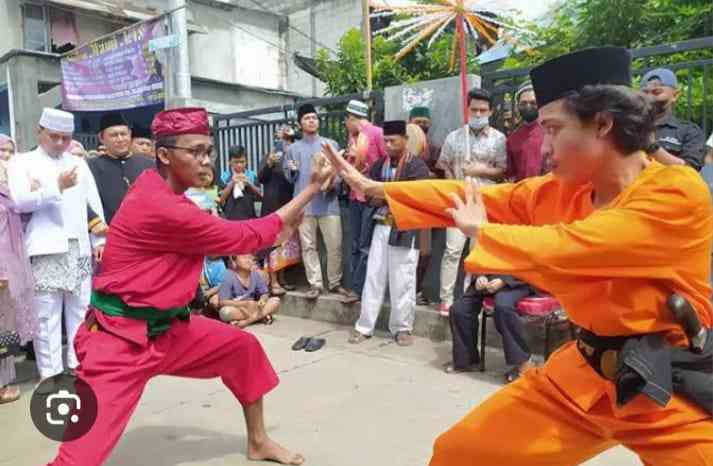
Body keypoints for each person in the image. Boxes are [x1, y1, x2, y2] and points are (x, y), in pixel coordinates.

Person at [325, 47, 713, 465]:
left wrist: (484, 233)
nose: (544, 147)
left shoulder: (678, 192)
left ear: (603, 123)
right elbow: (476, 195)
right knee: (458, 455)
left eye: (552, 128)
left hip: (666, 386)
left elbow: (576, 247)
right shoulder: (564, 189)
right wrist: (378, 189)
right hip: (581, 377)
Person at [46, 107, 336, 466]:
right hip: (119, 340)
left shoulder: (161, 189)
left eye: (208, 151)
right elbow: (243, 234)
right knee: (76, 460)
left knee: (242, 348)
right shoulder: (160, 204)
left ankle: (258, 441)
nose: (205, 161)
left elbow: (214, 243)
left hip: (169, 329)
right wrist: (310, 189)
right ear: (164, 155)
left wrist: (281, 226)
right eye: (194, 151)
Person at [8, 108, 105, 381]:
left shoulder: (78, 162)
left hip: (79, 246)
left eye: (65, 137)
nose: (60, 143)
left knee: (80, 308)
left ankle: (78, 362)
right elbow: (19, 201)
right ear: (40, 132)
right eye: (54, 137)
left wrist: (100, 238)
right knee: (46, 313)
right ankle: (50, 372)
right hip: (45, 247)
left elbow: (92, 202)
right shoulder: (21, 162)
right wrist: (55, 187)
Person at [349, 120, 430, 346]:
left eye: (393, 140)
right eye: (385, 141)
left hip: (405, 230)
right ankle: (364, 326)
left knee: (402, 280)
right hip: (380, 227)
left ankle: (402, 328)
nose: (388, 145)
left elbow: (415, 199)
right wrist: (390, 196)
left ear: (405, 140)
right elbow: (368, 195)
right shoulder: (378, 165)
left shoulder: (417, 167)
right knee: (373, 277)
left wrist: (385, 195)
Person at [436, 88, 507, 316]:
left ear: (491, 111)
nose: (478, 114)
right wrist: (453, 181)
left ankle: (471, 299)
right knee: (452, 251)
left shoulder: (498, 139)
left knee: (478, 254)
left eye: (482, 110)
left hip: (484, 206)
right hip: (459, 204)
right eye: (474, 109)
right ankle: (446, 299)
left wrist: (480, 169)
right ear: (467, 109)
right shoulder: (455, 137)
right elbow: (443, 164)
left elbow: (502, 171)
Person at [286, 103, 350, 300]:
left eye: (314, 117)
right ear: (300, 124)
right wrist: (293, 170)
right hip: (304, 205)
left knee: (335, 245)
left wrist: (333, 184)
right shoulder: (293, 149)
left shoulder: (330, 145)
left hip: (329, 203)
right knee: (308, 246)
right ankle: (315, 284)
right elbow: (290, 177)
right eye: (307, 118)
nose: (312, 121)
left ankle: (335, 282)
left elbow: (340, 171)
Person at [0, 135, 36, 405]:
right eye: (1, 150)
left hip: (14, 265)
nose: (6, 155)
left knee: (7, 324)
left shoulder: (12, 187)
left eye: (11, 151)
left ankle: (5, 380)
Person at [446, 274, 534, 382]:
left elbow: (530, 263)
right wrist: (479, 277)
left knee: (503, 307)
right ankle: (468, 360)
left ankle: (524, 362)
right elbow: (481, 259)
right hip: (489, 278)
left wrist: (504, 280)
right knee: (459, 310)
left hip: (518, 280)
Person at [344, 99, 385, 303]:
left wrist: (368, 167)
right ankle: (355, 287)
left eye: (347, 120)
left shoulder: (376, 133)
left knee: (365, 245)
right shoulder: (353, 138)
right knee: (354, 244)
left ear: (353, 118)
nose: (346, 124)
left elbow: (386, 160)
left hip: (371, 197)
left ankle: (361, 290)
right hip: (354, 196)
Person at [87, 113, 155, 224]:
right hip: (107, 232)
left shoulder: (149, 165)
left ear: (130, 135)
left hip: (144, 230)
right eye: (114, 135)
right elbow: (80, 199)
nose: (120, 139)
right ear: (102, 138)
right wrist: (93, 221)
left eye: (123, 134)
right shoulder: (91, 166)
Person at [640, 67, 706, 170]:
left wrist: (652, 147)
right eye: (645, 92)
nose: (649, 97)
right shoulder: (629, 126)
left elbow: (689, 171)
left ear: (675, 95)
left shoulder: (689, 131)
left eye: (657, 92)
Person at [259, 127, 297, 295]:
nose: (284, 142)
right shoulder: (269, 156)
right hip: (271, 207)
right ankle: (273, 281)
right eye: (280, 138)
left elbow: (295, 182)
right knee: (273, 244)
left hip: (288, 206)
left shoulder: (293, 157)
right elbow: (260, 177)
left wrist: (295, 169)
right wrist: (269, 164)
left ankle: (282, 279)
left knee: (285, 244)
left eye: (287, 139)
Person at [217, 254, 280, 327]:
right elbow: (222, 302)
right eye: (244, 257)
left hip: (255, 307)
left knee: (276, 301)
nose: (248, 260)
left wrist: (262, 300)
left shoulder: (255, 274)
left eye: (250, 258)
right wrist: (245, 303)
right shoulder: (228, 275)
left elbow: (264, 293)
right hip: (239, 309)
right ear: (235, 261)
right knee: (225, 312)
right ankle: (261, 316)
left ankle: (247, 321)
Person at [506, 82, 545, 182]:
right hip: (523, 193)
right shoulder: (512, 138)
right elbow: (511, 173)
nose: (528, 106)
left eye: (533, 103)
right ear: (518, 106)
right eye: (523, 103)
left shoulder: (551, 131)